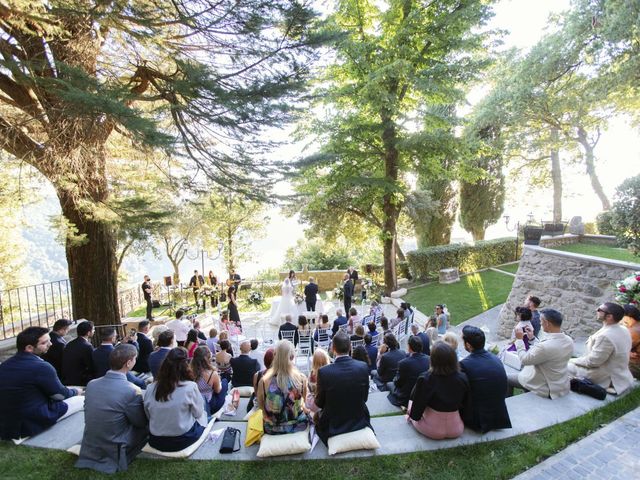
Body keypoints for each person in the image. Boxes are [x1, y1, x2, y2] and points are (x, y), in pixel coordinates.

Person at [75, 344, 148, 473]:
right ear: (129, 362)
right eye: (135, 358)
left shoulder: (92, 384)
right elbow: (140, 422)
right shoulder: (131, 390)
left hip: (92, 439)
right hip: (116, 443)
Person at [0, 327, 83, 440]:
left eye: (49, 340)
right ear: (29, 348)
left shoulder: (5, 365)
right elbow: (60, 395)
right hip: (31, 421)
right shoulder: (42, 367)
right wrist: (76, 391)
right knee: (82, 400)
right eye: (44, 342)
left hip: (7, 423)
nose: (51, 344)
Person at [143, 347, 207, 452]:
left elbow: (148, 414)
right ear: (186, 365)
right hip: (182, 439)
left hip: (156, 439)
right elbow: (198, 414)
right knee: (204, 411)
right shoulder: (190, 387)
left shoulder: (151, 387)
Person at [314, 332, 372, 445]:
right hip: (358, 419)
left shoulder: (324, 372)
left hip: (334, 423)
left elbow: (320, 403)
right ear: (350, 347)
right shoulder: (363, 367)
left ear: (333, 348)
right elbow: (365, 398)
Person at [408, 342, 470, 440]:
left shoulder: (426, 379)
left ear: (432, 359)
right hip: (456, 429)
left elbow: (415, 414)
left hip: (431, 429)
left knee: (411, 402)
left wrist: (411, 415)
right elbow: (466, 404)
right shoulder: (463, 377)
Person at [568, 302, 634, 394]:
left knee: (561, 366)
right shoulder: (623, 329)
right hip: (616, 371)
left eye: (600, 310)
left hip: (603, 375)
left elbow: (592, 362)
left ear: (609, 317)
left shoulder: (606, 336)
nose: (596, 310)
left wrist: (571, 360)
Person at [506, 308, 574, 398]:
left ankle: (510, 403)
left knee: (506, 378)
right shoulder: (568, 340)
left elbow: (524, 360)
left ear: (546, 323)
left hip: (545, 386)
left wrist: (519, 340)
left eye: (541, 321)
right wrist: (532, 338)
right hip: (560, 382)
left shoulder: (545, 346)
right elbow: (547, 350)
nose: (540, 323)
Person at [460, 326, 512, 433]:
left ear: (468, 345)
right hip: (499, 415)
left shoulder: (464, 364)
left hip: (478, 420)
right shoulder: (496, 359)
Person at [257, 340, 309, 434]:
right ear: (292, 357)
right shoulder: (302, 379)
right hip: (298, 426)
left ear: (275, 356)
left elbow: (261, 406)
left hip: (272, 428)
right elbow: (303, 403)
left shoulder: (264, 381)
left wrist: (266, 417)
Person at [387, 335, 430, 408]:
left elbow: (398, 383)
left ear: (409, 347)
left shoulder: (403, 363)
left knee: (389, 384)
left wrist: (394, 379)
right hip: (422, 393)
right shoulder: (429, 359)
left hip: (406, 396)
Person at [191, 346, 228, 416]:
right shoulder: (212, 373)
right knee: (225, 382)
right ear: (208, 358)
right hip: (209, 404)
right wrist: (219, 382)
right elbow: (218, 391)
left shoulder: (188, 371)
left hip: (193, 402)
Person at [62, 320, 95, 386]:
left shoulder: (69, 344)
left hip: (67, 377)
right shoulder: (87, 346)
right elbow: (91, 365)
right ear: (88, 333)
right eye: (93, 329)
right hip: (81, 380)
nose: (94, 331)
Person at [622, 304, 640, 379]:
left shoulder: (635, 330)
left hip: (635, 365)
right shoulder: (636, 326)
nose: (622, 321)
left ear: (629, 317)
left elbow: (622, 349)